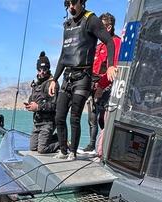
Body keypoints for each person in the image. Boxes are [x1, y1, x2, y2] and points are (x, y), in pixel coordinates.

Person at [49, 0, 117, 161]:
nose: (71, 7)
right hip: (67, 76)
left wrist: (111, 66)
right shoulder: (67, 25)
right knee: (59, 116)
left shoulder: (91, 19)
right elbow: (63, 55)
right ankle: (63, 150)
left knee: (74, 117)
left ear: (82, 2)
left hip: (83, 77)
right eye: (68, 4)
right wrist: (54, 79)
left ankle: (72, 152)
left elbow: (109, 41)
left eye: (74, 3)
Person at [81, 12, 121, 154]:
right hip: (94, 83)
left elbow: (114, 67)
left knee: (104, 117)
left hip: (107, 86)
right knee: (92, 116)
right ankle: (92, 145)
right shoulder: (99, 46)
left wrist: (101, 86)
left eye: (101, 27)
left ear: (109, 27)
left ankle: (104, 147)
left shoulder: (116, 43)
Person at [25, 51, 59, 154]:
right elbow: (32, 99)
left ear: (48, 69)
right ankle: (53, 138)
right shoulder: (36, 84)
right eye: (39, 69)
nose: (42, 72)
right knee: (33, 148)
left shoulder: (53, 84)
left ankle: (61, 141)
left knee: (42, 149)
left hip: (48, 123)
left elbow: (55, 105)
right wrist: (30, 105)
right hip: (37, 122)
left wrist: (38, 107)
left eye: (44, 69)